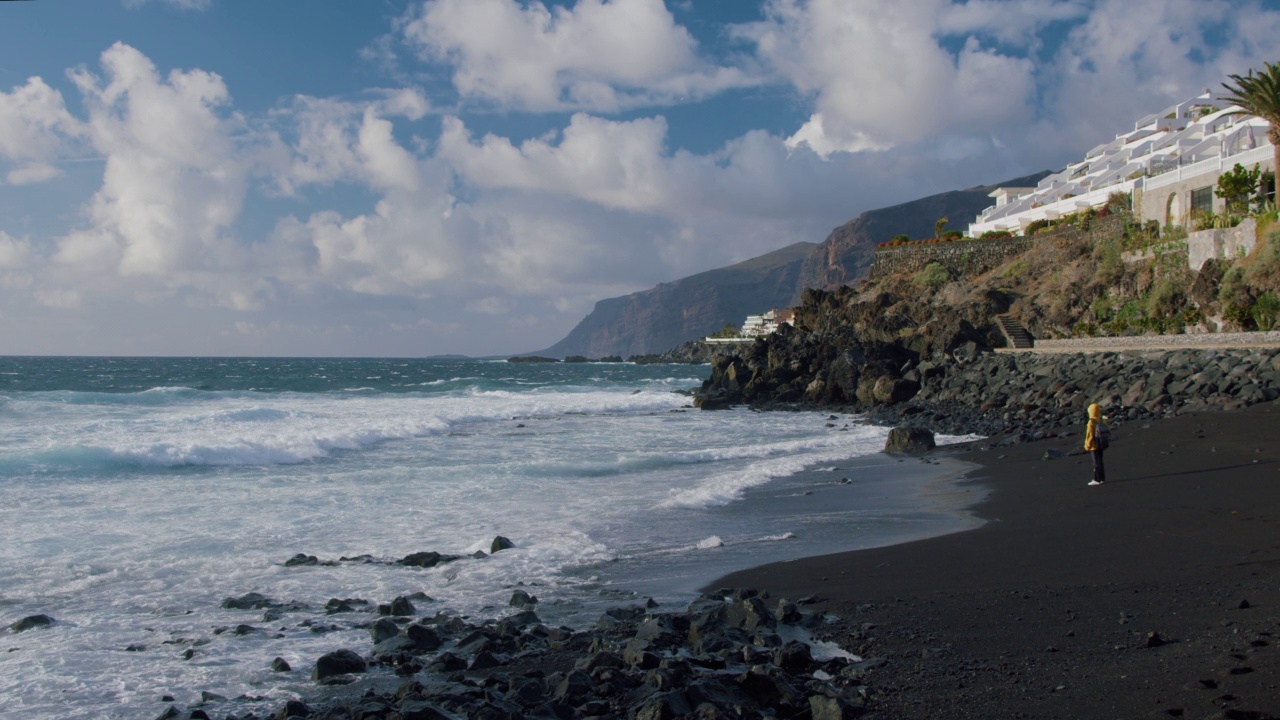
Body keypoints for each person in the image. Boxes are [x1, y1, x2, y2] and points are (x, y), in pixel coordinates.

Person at [1084, 403, 1109, 486]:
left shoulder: (1091, 421)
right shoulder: (1101, 420)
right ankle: (1102, 479)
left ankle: (1097, 479)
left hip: (1094, 445)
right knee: (1100, 462)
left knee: (1096, 463)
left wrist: (1087, 445)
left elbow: (1090, 435)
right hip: (1101, 444)